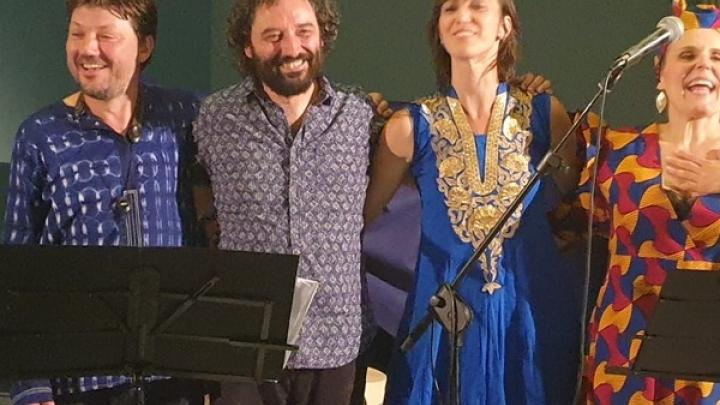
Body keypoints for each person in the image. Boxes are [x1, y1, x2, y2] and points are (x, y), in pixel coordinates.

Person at [363, 0, 584, 403]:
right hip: (446, 315)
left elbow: (574, 205)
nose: (462, 16)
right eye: (450, 9)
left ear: (504, 26)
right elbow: (359, 218)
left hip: (530, 309)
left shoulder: (545, 115)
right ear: (438, 29)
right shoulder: (409, 126)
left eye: (477, 6)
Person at [2, 1, 212, 404]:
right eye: (77, 34)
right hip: (78, 380)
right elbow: (16, 268)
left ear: (145, 46)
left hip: (173, 375)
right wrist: (30, 384)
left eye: (105, 36)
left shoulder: (185, 115)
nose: (87, 49)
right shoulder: (40, 135)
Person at [192, 0, 380, 403]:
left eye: (303, 31)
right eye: (273, 35)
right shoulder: (214, 117)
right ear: (248, 45)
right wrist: (210, 225)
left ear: (323, 36)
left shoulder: (360, 115)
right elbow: (194, 181)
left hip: (336, 340)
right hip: (245, 340)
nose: (292, 48)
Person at [582, 1, 720, 403]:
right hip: (624, 351)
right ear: (660, 73)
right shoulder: (617, 150)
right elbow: (569, 225)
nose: (703, 65)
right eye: (687, 55)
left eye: (716, 57)